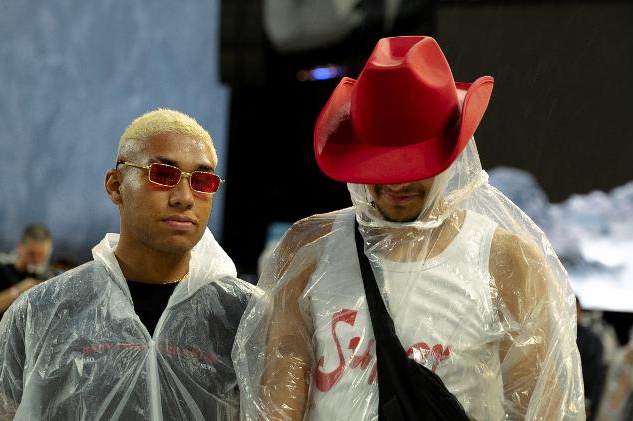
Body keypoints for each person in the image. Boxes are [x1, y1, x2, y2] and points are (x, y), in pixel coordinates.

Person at [234, 36, 585, 420]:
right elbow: (276, 407)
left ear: (449, 157)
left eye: (412, 164)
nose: (397, 183)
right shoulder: (308, 250)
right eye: (381, 164)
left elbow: (540, 410)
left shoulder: (505, 261)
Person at [0, 109, 255, 420]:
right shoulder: (45, 310)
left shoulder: (242, 314)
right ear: (115, 186)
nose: (184, 197)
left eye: (202, 181)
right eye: (163, 175)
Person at [0, 224, 53, 353]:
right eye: (31, 254)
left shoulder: (48, 279)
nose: (36, 260)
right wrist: (17, 291)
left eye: (42, 255)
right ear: (20, 247)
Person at [576, 297, 606, 420]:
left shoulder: (591, 339)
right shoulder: (555, 337)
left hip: (581, 400)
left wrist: (588, 401)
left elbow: (595, 375)